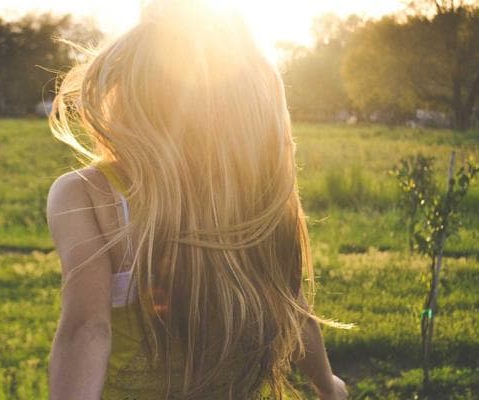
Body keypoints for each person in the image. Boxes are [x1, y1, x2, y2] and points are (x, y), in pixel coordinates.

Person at [46, 1, 350, 398]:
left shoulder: (88, 195)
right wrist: (328, 385)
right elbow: (291, 302)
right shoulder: (254, 196)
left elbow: (87, 329)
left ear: (127, 86)